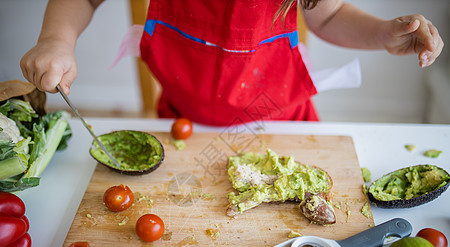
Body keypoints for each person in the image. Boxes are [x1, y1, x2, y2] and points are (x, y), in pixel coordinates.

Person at [20, 0, 444, 126]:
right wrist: (57, 39)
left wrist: (383, 34)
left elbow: (328, 16)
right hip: (183, 124)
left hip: (283, 124)